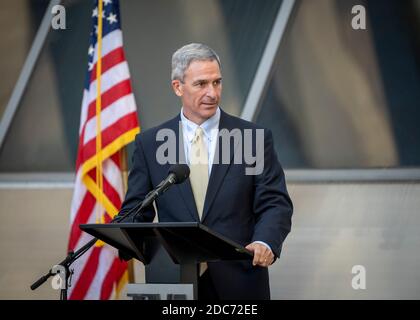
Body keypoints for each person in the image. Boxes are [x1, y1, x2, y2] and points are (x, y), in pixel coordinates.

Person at [118, 43, 293, 300]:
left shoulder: (253, 139)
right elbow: (137, 210)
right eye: (201, 84)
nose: (212, 93)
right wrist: (121, 233)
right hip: (175, 282)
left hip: (240, 280)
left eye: (217, 82)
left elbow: (275, 203)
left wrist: (265, 242)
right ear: (178, 87)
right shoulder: (150, 143)